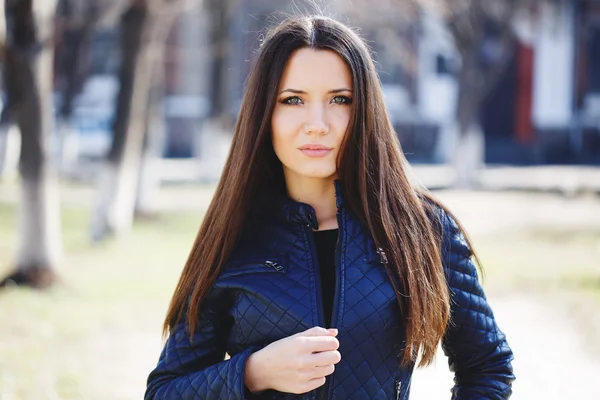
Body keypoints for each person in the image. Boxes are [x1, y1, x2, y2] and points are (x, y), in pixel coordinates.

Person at [144, 15, 515, 400]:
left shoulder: (423, 230)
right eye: (293, 100)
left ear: (365, 111)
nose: (317, 124)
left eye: (340, 99)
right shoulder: (235, 233)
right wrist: (253, 372)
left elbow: (487, 367)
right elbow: (165, 391)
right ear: (264, 114)